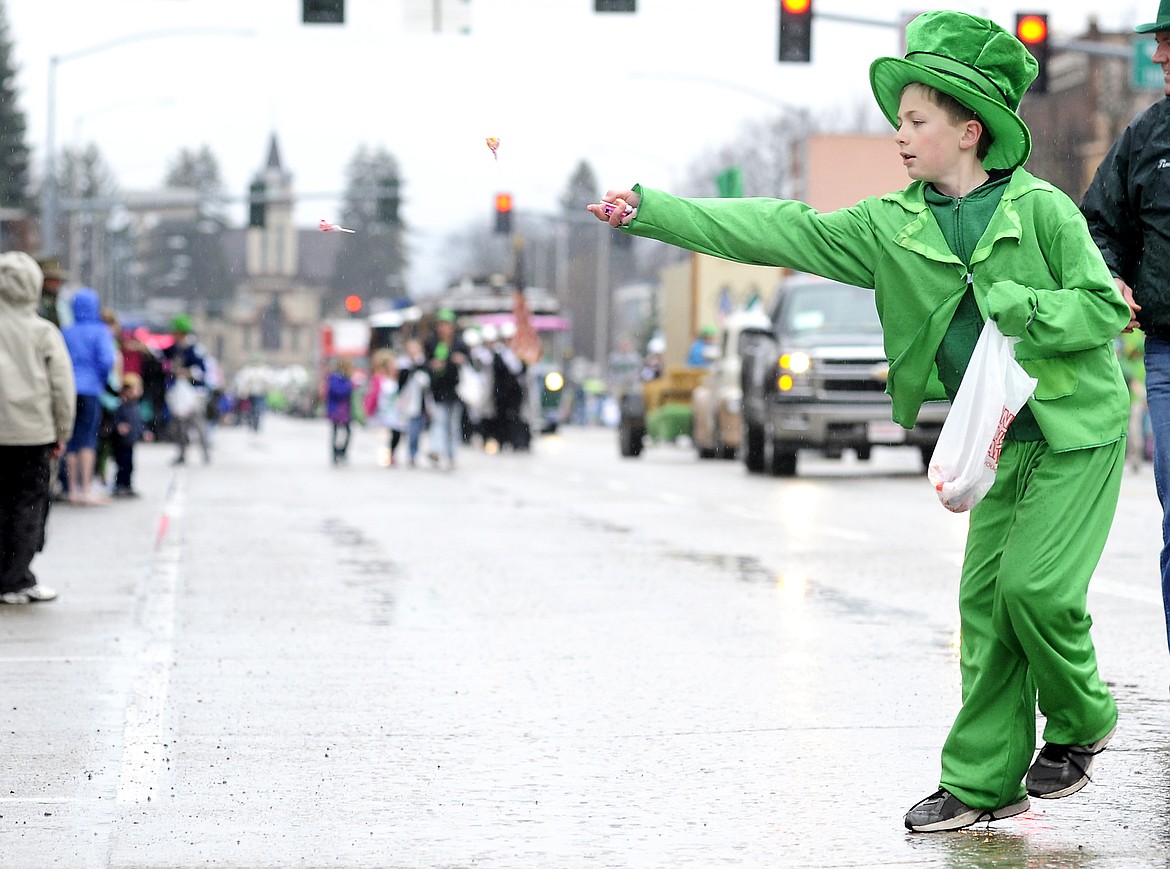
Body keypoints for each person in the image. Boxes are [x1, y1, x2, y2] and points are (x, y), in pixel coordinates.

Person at [589, 10, 1131, 833]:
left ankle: (1084, 722)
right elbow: (783, 228)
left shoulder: (1046, 212)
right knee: (984, 611)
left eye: (916, 121)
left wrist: (1019, 307)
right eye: (899, 122)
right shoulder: (893, 225)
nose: (901, 136)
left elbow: (1102, 308)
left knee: (1035, 591)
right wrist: (652, 212)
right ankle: (983, 780)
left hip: (1074, 428)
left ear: (968, 128)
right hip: (994, 443)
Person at [1080, 0, 1170, 665]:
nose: (1160, 55)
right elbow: (1098, 222)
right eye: (1158, 42)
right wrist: (1114, 277)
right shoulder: (1145, 138)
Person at [0, 252, 76, 604]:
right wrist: (62, 431)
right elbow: (61, 387)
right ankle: (17, 579)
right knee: (27, 505)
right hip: (32, 432)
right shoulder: (43, 332)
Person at [60, 287, 116, 505]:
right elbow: (106, 360)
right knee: (88, 438)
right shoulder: (100, 331)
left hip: (69, 389)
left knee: (70, 438)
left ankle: (71, 489)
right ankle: (85, 488)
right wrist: (100, 380)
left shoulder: (66, 331)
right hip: (91, 388)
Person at [424, 309, 470, 470]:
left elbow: (467, 362)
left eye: (446, 325)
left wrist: (458, 360)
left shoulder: (459, 343)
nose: (443, 328)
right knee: (439, 421)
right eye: (441, 325)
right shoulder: (432, 343)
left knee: (453, 425)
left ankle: (451, 456)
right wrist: (432, 366)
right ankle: (436, 450)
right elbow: (426, 364)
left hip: (456, 390)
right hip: (438, 389)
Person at [163, 315, 211, 466]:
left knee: (197, 423)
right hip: (178, 391)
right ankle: (182, 453)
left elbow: (202, 370)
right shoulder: (174, 348)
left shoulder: (195, 349)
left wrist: (186, 372)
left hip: (194, 391)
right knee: (179, 425)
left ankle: (205, 452)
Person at [364, 349, 405, 466]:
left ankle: (391, 453)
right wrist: (368, 409)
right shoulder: (379, 378)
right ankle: (384, 455)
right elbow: (373, 395)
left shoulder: (398, 378)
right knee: (384, 434)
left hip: (396, 410)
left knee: (396, 433)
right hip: (382, 411)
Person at [111, 372, 145, 498]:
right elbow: (115, 421)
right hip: (121, 442)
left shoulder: (135, 407)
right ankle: (120, 485)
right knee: (122, 465)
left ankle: (127, 485)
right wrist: (119, 426)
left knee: (129, 465)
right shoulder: (121, 406)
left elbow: (139, 423)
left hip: (130, 441)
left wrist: (143, 432)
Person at [398, 339, 431, 468]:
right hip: (408, 403)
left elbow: (428, 382)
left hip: (422, 403)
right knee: (411, 431)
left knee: (418, 431)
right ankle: (411, 454)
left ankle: (415, 453)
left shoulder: (423, 364)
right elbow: (401, 383)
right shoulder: (404, 365)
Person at [325, 358, 358, 464]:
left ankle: (341, 452)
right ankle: (336, 454)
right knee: (336, 433)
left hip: (345, 411)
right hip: (336, 410)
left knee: (347, 432)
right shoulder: (335, 378)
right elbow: (338, 391)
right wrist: (350, 386)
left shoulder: (345, 378)